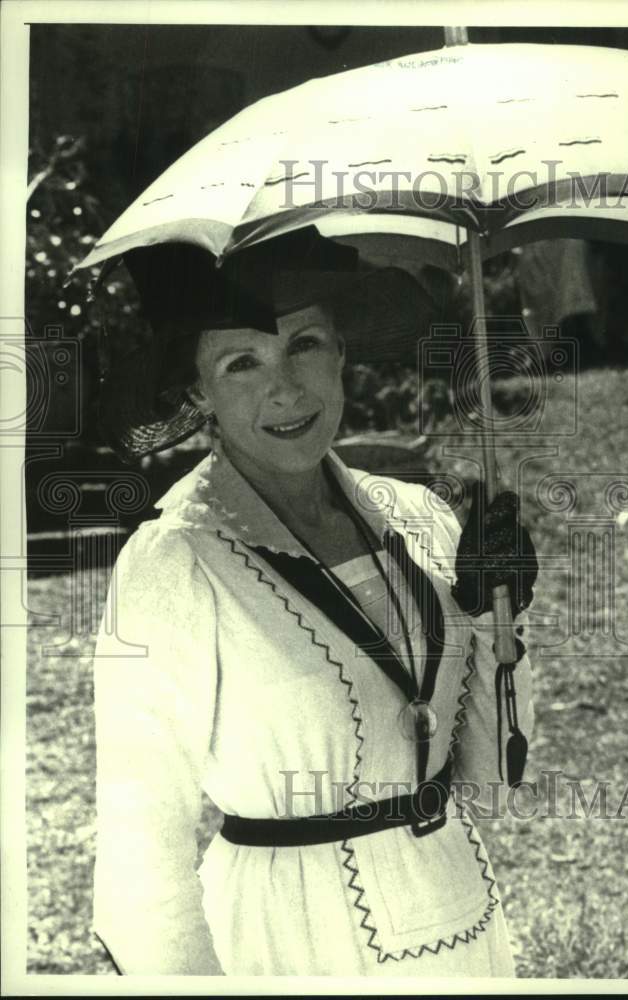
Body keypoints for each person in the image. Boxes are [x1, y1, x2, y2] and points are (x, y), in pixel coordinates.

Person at [91, 226, 539, 976]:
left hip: (460, 930)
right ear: (197, 394)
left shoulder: (421, 518)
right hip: (292, 943)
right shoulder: (175, 565)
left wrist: (499, 617)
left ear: (341, 352)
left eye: (304, 344)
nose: (287, 388)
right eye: (242, 362)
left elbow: (493, 782)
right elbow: (140, 863)